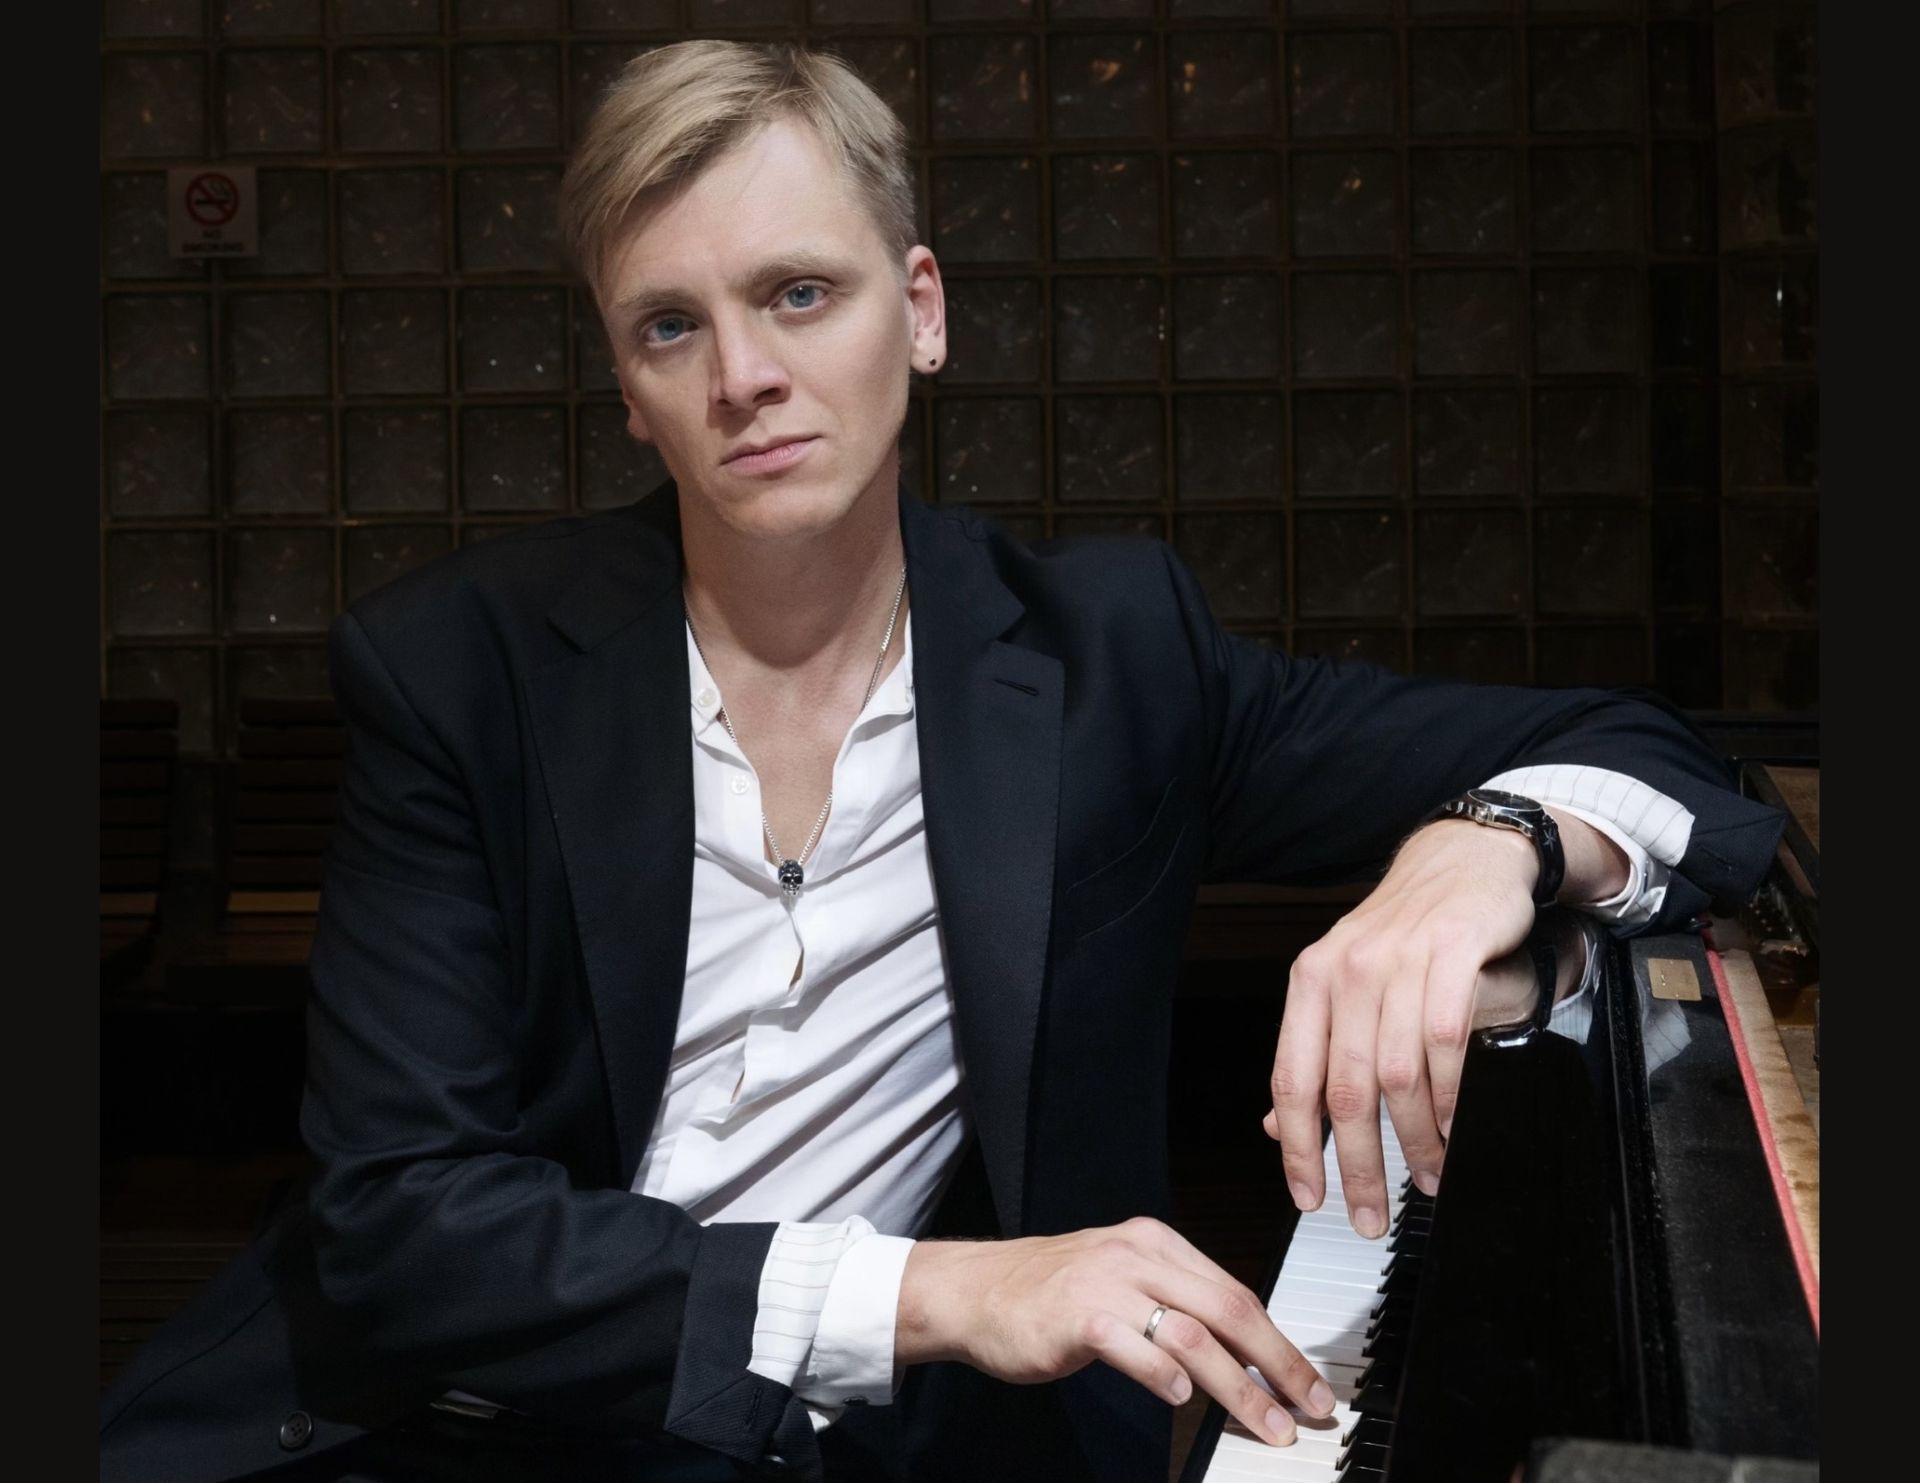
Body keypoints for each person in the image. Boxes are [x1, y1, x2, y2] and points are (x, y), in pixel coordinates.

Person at [99, 39, 1784, 1483]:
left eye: (799, 294)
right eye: (670, 328)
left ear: (921, 312)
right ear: (628, 391)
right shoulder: (461, 667)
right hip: (459, 1428)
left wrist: (1476, 847)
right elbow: (403, 1228)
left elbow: (1663, 760)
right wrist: (955, 1294)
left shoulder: (1108, 653)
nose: (746, 376)